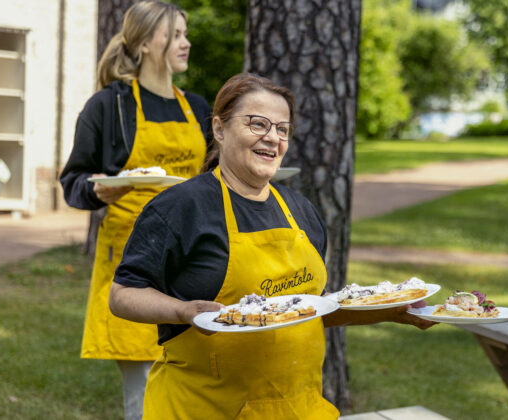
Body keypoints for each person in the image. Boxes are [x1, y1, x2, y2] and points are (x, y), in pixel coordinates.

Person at [108, 72, 435, 419]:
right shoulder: (180, 207)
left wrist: (392, 311)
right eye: (257, 124)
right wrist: (183, 311)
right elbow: (123, 294)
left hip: (297, 409)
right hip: (203, 408)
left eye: (282, 129)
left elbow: (309, 311)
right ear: (219, 129)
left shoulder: (300, 210)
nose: (272, 138)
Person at [58, 2, 211, 419]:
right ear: (145, 43)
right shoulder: (110, 106)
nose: (186, 42)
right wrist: (98, 191)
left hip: (192, 259)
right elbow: (74, 179)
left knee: (195, 387)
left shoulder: (196, 108)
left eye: (185, 33)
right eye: (176, 35)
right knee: (143, 398)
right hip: (133, 265)